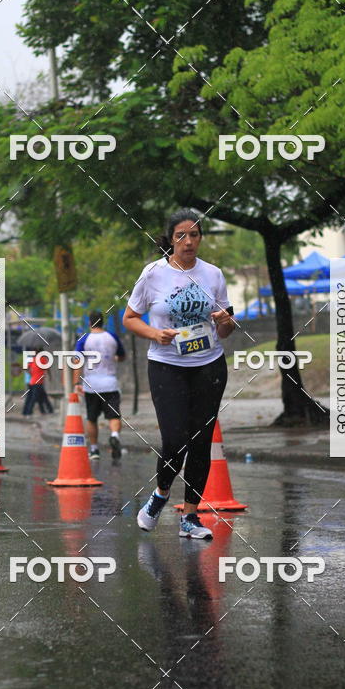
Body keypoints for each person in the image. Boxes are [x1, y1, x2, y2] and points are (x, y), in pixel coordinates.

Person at [123, 209, 236, 540]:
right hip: (166, 364)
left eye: (195, 235)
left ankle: (191, 517)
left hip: (209, 364)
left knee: (201, 442)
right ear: (171, 239)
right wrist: (154, 334)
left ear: (201, 238)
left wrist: (224, 321)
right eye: (181, 236)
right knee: (174, 439)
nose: (189, 242)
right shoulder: (154, 274)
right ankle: (159, 496)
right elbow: (131, 317)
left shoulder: (213, 274)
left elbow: (226, 327)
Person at [73, 310, 126, 460]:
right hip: (110, 383)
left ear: (89, 323)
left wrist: (76, 383)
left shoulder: (84, 339)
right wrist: (115, 358)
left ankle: (95, 450)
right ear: (103, 322)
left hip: (91, 386)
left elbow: (77, 362)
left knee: (92, 418)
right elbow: (122, 356)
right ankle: (114, 435)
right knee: (114, 415)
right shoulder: (112, 337)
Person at [22, 350, 54, 416]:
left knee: (38, 397)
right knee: (34, 398)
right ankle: (29, 412)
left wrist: (31, 373)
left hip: (32, 382)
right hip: (38, 382)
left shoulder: (33, 359)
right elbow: (48, 369)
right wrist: (50, 377)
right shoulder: (43, 359)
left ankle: (25, 412)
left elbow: (26, 368)